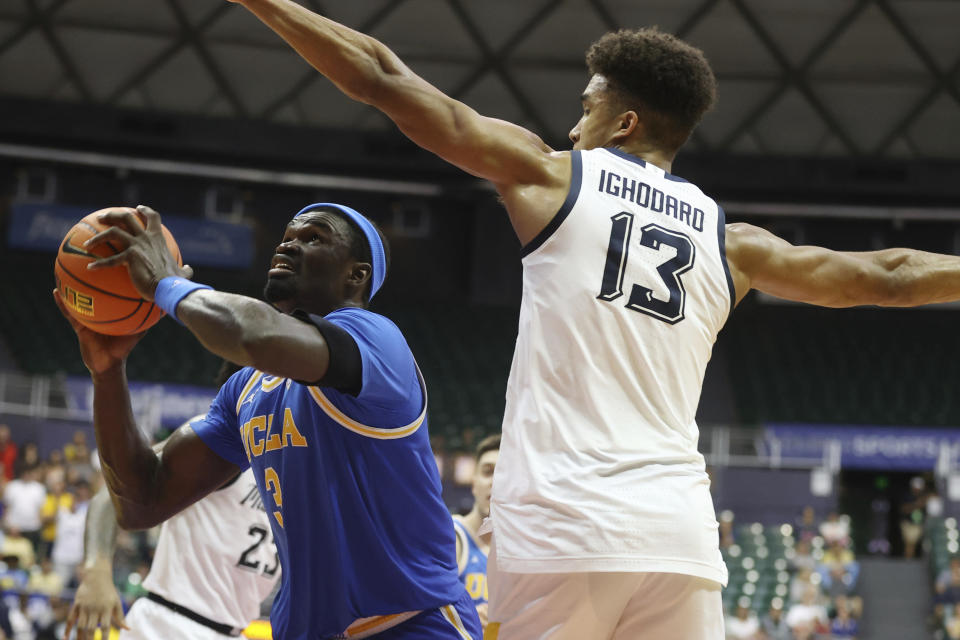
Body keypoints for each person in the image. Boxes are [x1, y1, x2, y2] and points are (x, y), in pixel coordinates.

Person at [225, 1, 960, 636]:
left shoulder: (553, 176)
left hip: (562, 528)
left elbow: (383, 79)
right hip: (678, 538)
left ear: (624, 120)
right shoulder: (732, 242)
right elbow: (888, 276)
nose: (573, 125)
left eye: (586, 107)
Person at [53, 203, 480, 640]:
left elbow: (252, 334)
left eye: (314, 237)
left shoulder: (376, 339)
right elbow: (141, 499)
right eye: (287, 234)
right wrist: (107, 373)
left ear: (357, 275)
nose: (290, 242)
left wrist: (168, 284)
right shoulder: (246, 390)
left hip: (410, 623)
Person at [65, 416, 280, 640]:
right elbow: (113, 494)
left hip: (234, 631)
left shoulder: (300, 469)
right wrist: (96, 572)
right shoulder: (223, 436)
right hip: (167, 625)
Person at [452, 435, 499, 629]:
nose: (495, 481)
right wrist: (464, 618)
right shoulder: (452, 534)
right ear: (473, 483)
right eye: (488, 472)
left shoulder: (522, 549)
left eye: (504, 473)